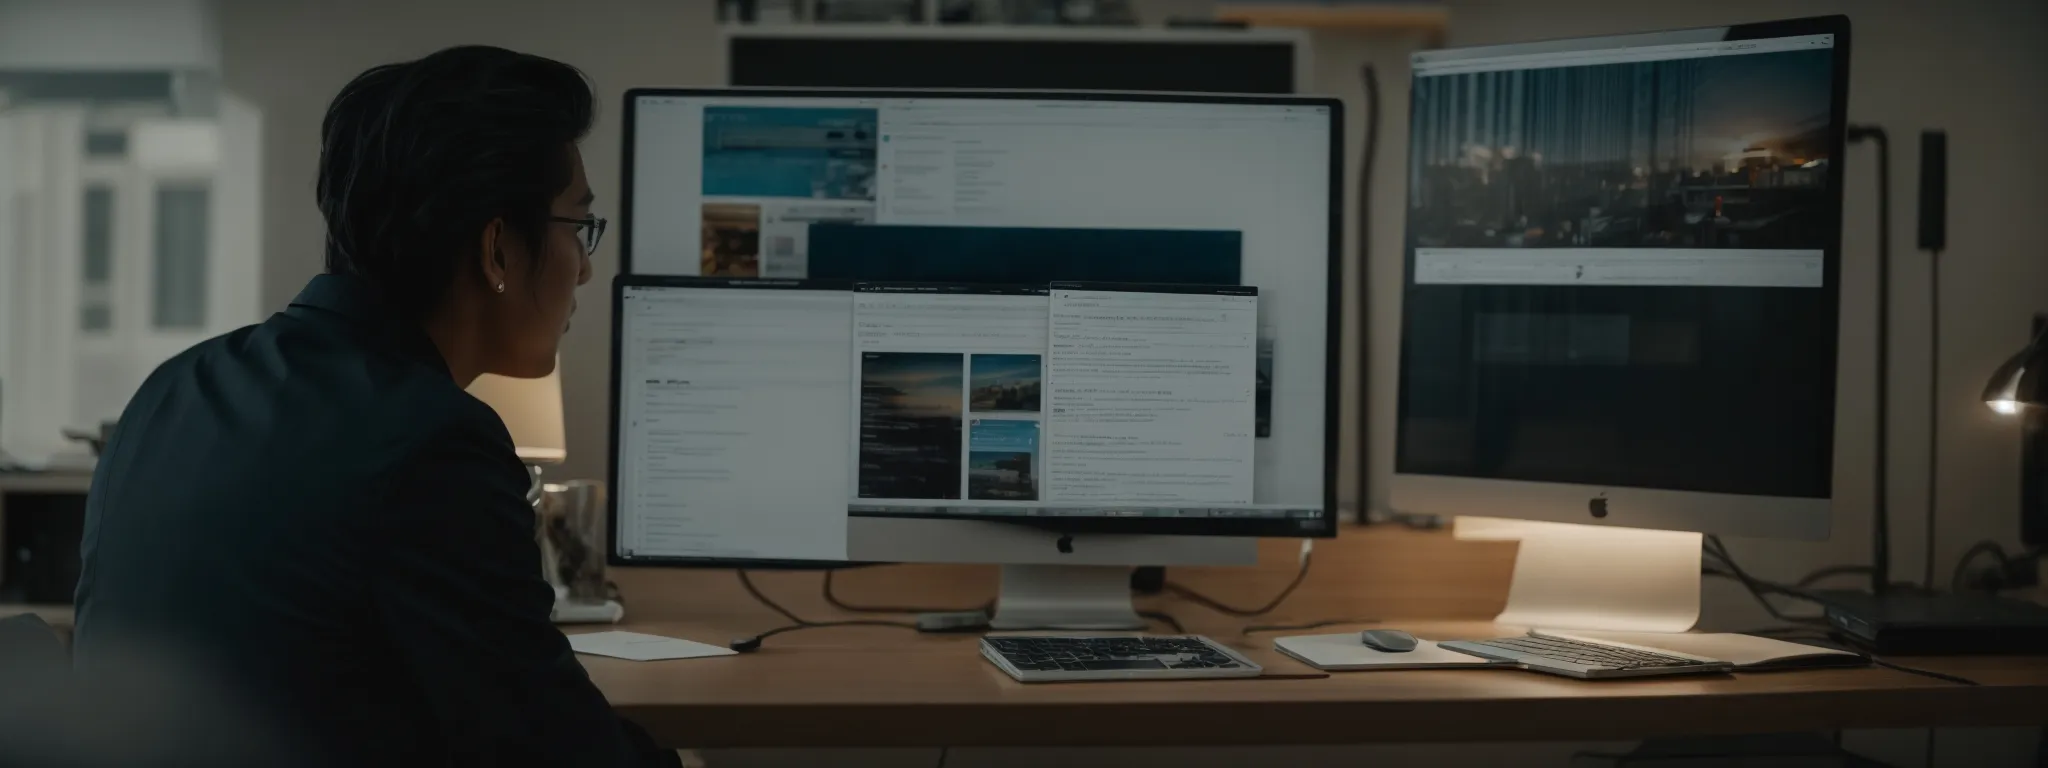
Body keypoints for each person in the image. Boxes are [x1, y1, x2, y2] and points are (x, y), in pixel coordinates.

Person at [71, 46, 678, 767]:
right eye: (577, 228)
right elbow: (551, 746)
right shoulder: (430, 442)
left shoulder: (177, 385)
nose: (584, 266)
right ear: (497, 248)